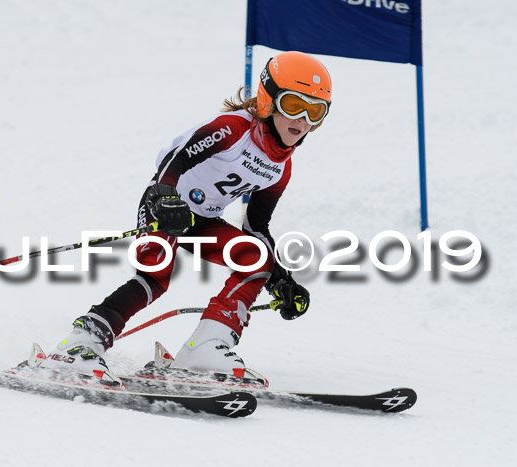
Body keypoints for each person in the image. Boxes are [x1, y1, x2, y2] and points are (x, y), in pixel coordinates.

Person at [41, 51, 332, 385]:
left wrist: (281, 280)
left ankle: (206, 347)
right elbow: (172, 161)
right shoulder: (233, 129)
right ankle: (81, 344)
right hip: (165, 206)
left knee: (256, 259)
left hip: (204, 222)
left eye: (316, 111)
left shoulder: (282, 167)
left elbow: (256, 227)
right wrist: (165, 196)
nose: (303, 120)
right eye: (294, 105)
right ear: (268, 100)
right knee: (154, 277)